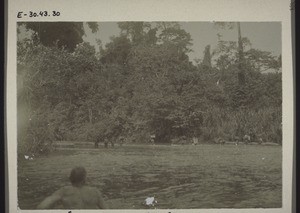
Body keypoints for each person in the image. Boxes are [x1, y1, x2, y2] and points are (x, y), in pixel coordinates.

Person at [37, 167, 106, 209]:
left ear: (70, 178)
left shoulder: (64, 191)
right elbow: (106, 210)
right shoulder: (95, 191)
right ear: (84, 179)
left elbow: (42, 206)